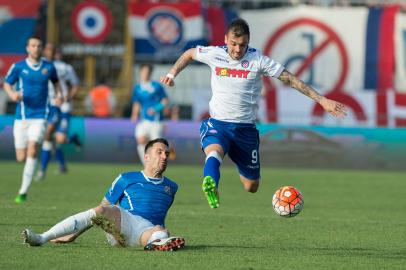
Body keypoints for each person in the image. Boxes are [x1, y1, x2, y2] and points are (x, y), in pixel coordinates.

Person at [160, 18, 347, 209]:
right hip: (218, 124)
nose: (237, 50)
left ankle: (228, 167)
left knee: (251, 186)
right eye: (233, 44)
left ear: (248, 42)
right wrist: (172, 73)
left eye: (243, 45)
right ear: (226, 39)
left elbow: (290, 79)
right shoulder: (214, 54)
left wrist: (322, 100)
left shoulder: (258, 60)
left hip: (245, 131)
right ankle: (211, 183)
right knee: (213, 152)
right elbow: (190, 53)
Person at [22, 138, 185, 251]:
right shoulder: (126, 178)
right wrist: (73, 235)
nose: (164, 156)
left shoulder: (172, 187)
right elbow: (100, 212)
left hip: (146, 231)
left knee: (160, 232)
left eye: (166, 154)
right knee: (102, 209)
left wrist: (157, 231)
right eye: (159, 152)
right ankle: (42, 238)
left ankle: (157, 242)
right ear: (147, 157)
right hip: (124, 222)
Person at [3, 37, 61, 203]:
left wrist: (58, 95)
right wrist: (12, 94)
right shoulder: (19, 66)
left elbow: (56, 83)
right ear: (28, 48)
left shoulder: (49, 67)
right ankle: (27, 179)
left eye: (39, 45)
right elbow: (7, 84)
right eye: (33, 45)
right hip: (21, 117)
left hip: (40, 116)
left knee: (33, 148)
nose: (36, 48)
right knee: (21, 157)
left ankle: (23, 191)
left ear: (41, 48)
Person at [36, 43, 81, 180]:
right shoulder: (39, 65)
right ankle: (43, 170)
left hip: (63, 106)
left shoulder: (64, 67)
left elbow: (75, 84)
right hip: (48, 105)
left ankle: (43, 170)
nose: (49, 52)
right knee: (50, 137)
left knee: (54, 137)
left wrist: (69, 96)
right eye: (47, 49)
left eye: (51, 49)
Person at [131, 64, 169, 164]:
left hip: (156, 121)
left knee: (157, 147)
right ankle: (146, 164)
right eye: (143, 72)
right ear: (140, 73)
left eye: (147, 72)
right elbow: (137, 102)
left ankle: (158, 164)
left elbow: (165, 101)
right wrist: (134, 114)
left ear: (150, 73)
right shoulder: (137, 88)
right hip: (144, 121)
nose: (145, 74)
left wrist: (156, 109)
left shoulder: (157, 86)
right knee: (141, 140)